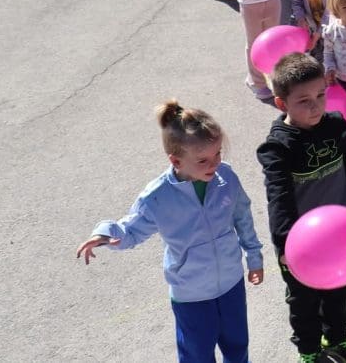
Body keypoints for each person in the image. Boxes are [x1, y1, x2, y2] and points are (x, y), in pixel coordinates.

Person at [76, 101, 263, 363]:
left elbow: (242, 215)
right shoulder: (158, 196)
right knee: (196, 355)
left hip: (231, 283)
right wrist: (105, 233)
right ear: (176, 160)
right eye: (203, 160)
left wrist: (254, 258)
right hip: (191, 294)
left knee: (238, 347)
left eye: (218, 153)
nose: (215, 163)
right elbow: (131, 229)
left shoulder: (226, 177)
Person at [257, 54, 346, 363]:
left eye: (320, 95)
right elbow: (279, 197)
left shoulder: (336, 125)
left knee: (339, 291)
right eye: (304, 101)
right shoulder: (278, 147)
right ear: (281, 104)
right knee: (304, 301)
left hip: (338, 235)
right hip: (300, 244)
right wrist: (285, 243)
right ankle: (309, 351)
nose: (315, 106)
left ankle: (337, 337)